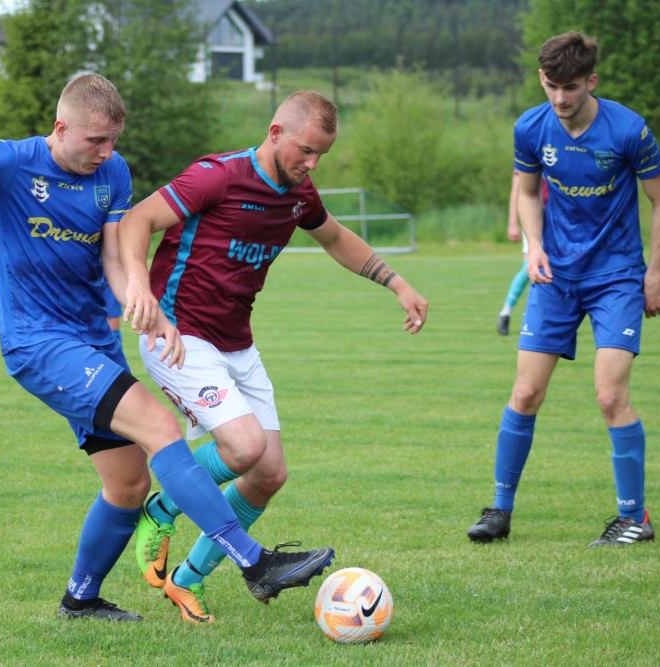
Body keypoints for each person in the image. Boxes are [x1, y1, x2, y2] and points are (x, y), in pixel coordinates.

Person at [0, 74, 335, 622]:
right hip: (38, 342)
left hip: (95, 342)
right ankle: (255, 563)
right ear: (61, 128)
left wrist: (144, 304)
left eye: (114, 141)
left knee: (128, 482)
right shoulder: (10, 162)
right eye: (96, 141)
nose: (106, 152)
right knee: (160, 427)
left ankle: (80, 600)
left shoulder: (113, 172)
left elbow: (113, 257)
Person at [118, 91, 429, 623]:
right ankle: (165, 504)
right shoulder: (217, 177)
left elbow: (334, 237)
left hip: (237, 343)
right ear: (276, 132)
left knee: (269, 474)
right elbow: (136, 221)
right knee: (244, 447)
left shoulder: (299, 194)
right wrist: (138, 288)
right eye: (306, 150)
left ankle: (186, 580)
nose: (312, 164)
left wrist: (397, 283)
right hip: (179, 336)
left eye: (321, 155)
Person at [466, 33, 660, 546]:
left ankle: (635, 519)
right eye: (552, 85)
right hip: (555, 276)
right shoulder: (530, 127)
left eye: (572, 87)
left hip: (616, 276)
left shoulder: (628, 130)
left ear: (591, 81)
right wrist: (534, 246)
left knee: (610, 395)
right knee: (525, 392)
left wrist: (654, 274)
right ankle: (499, 510)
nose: (560, 97)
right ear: (542, 79)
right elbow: (527, 191)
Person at [496, 170, 549, 336]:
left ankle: (556, 319)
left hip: (560, 219)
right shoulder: (528, 154)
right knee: (529, 266)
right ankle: (505, 312)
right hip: (534, 218)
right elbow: (518, 190)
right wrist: (512, 222)